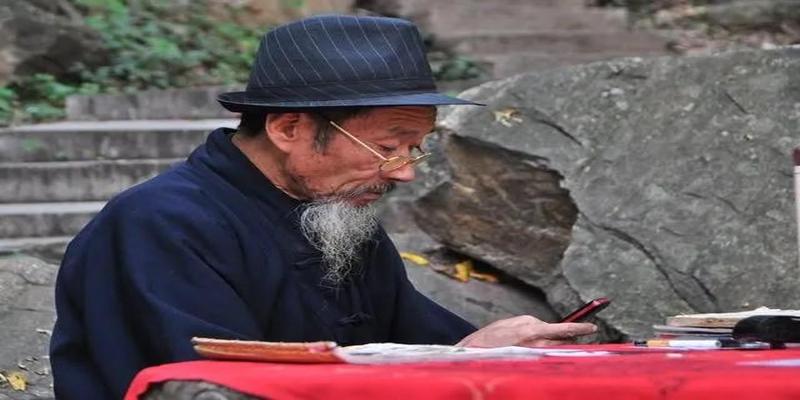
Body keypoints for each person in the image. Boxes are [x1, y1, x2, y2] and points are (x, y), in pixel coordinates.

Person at [50, 14, 597, 399]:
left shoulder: (336, 214)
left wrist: (495, 348)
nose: (404, 170)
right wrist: (456, 359)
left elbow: (418, 341)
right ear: (289, 127)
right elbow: (214, 387)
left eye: (414, 148)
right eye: (386, 147)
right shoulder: (160, 224)